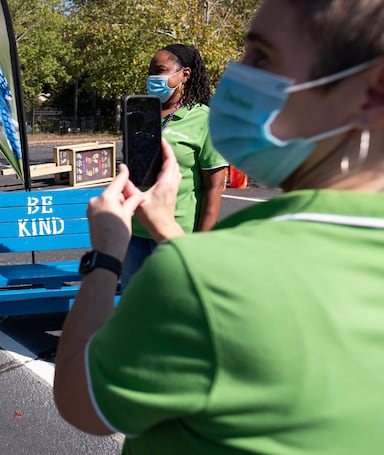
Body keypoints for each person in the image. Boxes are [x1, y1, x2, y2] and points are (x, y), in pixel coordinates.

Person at [54, 0, 384, 453]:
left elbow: (79, 399)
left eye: (262, 58)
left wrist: (105, 256)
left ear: (371, 91)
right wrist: (171, 231)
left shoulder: (207, 280)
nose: (238, 76)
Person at [121, 43, 228, 288]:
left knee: (171, 309)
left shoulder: (205, 120)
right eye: (150, 71)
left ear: (185, 74)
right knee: (133, 309)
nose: (152, 78)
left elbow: (215, 187)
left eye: (159, 70)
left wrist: (201, 244)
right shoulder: (140, 115)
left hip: (177, 233)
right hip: (135, 232)